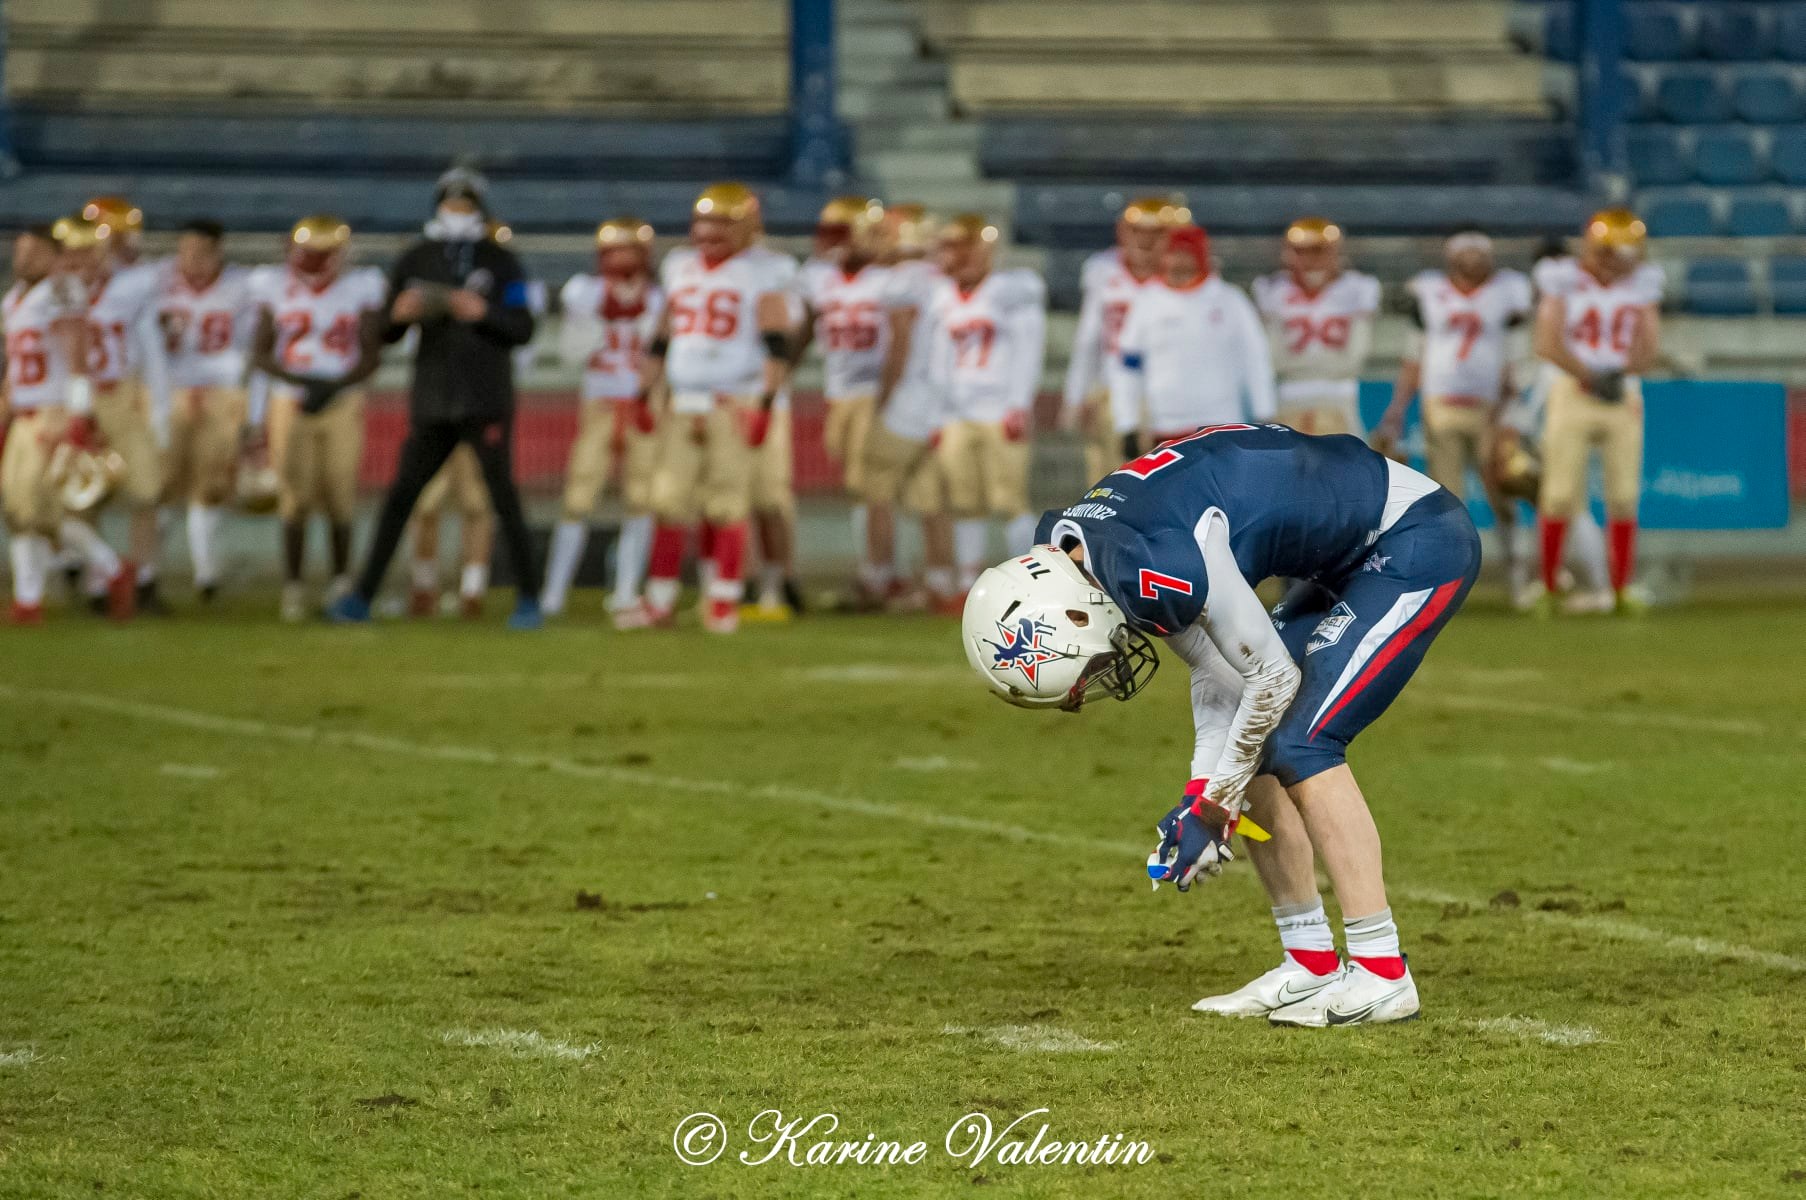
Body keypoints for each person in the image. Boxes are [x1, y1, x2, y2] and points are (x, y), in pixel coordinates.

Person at [960, 422, 1479, 1026]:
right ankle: (1310, 960)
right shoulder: (1089, 553)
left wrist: (1214, 806)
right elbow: (1223, 680)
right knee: (1255, 738)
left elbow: (1272, 681)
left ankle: (1382, 971)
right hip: (1341, 552)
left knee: (1303, 740)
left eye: (1087, 670)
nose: (1102, 678)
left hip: (1412, 536)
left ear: (1071, 616)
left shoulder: (1147, 563)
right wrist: (1201, 794)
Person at [328, 167, 543, 628]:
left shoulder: (502, 259)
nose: (458, 213)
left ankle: (530, 597)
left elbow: (523, 327)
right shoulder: (415, 258)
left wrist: (483, 312)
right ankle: (363, 595)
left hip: (485, 396)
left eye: (466, 206)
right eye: (452, 205)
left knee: (502, 498)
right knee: (401, 497)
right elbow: (384, 331)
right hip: (433, 398)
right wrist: (398, 316)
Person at [634, 182, 797, 634]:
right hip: (683, 401)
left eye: (722, 224)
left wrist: (764, 404)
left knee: (728, 503)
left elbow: (777, 346)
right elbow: (662, 335)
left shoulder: (763, 272)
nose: (709, 232)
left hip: (733, 401)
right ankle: (660, 601)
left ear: (747, 228)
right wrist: (642, 392)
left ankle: (723, 602)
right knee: (667, 501)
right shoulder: (678, 265)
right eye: (703, 222)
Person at [1376, 231, 1533, 595]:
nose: (1474, 258)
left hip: (1488, 408)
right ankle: (1450, 583)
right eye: (1467, 251)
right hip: (1441, 406)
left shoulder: (1506, 292)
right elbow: (1414, 357)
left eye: (1480, 252)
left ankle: (1518, 576)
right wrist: (1397, 408)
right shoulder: (1430, 293)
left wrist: (1511, 408)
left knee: (1503, 494)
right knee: (1447, 503)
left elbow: (1516, 356)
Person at [248, 216, 386, 622]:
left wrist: (333, 385)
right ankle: (293, 585)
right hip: (291, 400)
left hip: (342, 400)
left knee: (341, 493)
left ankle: (342, 581)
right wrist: (303, 382)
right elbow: (260, 352)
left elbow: (372, 353)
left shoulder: (360, 287)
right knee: (294, 496)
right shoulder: (274, 286)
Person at [1530, 208, 1662, 616]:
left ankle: (1621, 588)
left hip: (1621, 393)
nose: (1621, 260)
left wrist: (1621, 373)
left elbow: (1649, 345)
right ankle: (1549, 586)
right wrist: (1588, 374)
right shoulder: (1563, 279)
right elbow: (1547, 341)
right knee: (1558, 494)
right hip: (1572, 389)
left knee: (1623, 496)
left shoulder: (1641, 285)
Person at [2, 221, 135, 622]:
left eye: (33, 252)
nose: (23, 259)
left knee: (40, 511)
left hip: (52, 411)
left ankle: (111, 569)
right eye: (19, 251)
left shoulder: (61, 290)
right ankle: (31, 599)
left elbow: (78, 356)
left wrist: (79, 416)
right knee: (18, 511)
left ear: (54, 257)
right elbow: (13, 370)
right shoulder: (15, 299)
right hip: (25, 414)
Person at [540, 216, 667, 622]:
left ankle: (627, 590)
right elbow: (571, 351)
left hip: (645, 403)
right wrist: (601, 317)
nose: (618, 259)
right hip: (599, 403)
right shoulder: (585, 292)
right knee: (578, 498)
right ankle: (554, 593)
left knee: (641, 499)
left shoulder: (662, 299)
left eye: (627, 250)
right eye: (612, 251)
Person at [927, 213, 1046, 593]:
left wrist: (1018, 404)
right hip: (956, 412)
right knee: (965, 501)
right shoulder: (943, 295)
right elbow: (936, 358)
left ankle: (1031, 581)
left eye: (959, 249)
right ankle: (968, 581)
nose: (951, 258)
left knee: (1009, 498)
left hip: (999, 410)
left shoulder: (1010, 290)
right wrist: (937, 413)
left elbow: (1029, 348)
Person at [859, 203, 959, 613]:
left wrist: (884, 395)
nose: (876, 240)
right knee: (929, 497)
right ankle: (941, 581)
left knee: (876, 489)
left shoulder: (902, 281)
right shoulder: (941, 279)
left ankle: (878, 578)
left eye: (885, 233)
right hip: (943, 403)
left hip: (909, 400)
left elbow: (899, 345)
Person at [795, 199, 895, 605]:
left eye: (843, 234)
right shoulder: (817, 276)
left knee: (872, 487)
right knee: (858, 487)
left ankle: (880, 576)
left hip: (874, 390)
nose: (834, 244)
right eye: (829, 235)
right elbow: (806, 325)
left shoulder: (890, 277)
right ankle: (876, 572)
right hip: (839, 392)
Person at [156, 218, 258, 603]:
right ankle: (149, 573)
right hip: (171, 392)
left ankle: (206, 573)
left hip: (222, 393)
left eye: (200, 252)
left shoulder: (241, 286)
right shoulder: (159, 280)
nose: (191, 260)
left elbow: (249, 347)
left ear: (219, 252)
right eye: (185, 251)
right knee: (162, 484)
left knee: (211, 484)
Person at [80, 195, 171, 612]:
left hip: (121, 391)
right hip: (76, 397)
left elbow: (151, 351)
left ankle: (144, 579)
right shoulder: (62, 287)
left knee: (146, 490)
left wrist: (160, 412)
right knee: (81, 493)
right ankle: (94, 578)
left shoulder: (138, 284)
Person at [1114, 223, 1274, 446]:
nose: (1178, 262)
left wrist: (1263, 412)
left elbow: (1255, 358)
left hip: (1222, 423)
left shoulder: (1229, 300)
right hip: (1165, 425)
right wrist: (1127, 422)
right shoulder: (1146, 301)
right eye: (1173, 254)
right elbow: (1128, 366)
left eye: (1185, 254)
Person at [1063, 196, 1188, 478]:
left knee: (1167, 479)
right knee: (1107, 480)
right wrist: (1077, 394)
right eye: (1137, 231)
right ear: (1122, 231)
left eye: (1156, 233)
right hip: (1112, 388)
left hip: (1168, 393)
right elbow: (1089, 338)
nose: (1144, 241)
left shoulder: (1186, 277)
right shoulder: (1104, 270)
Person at [1252, 218, 1380, 437]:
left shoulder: (1360, 288)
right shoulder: (1269, 289)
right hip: (1288, 397)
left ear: (1335, 252)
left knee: (1346, 466)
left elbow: (1356, 356)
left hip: (1339, 396)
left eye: (1318, 251)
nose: (1310, 260)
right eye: (1302, 252)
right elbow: (1270, 356)